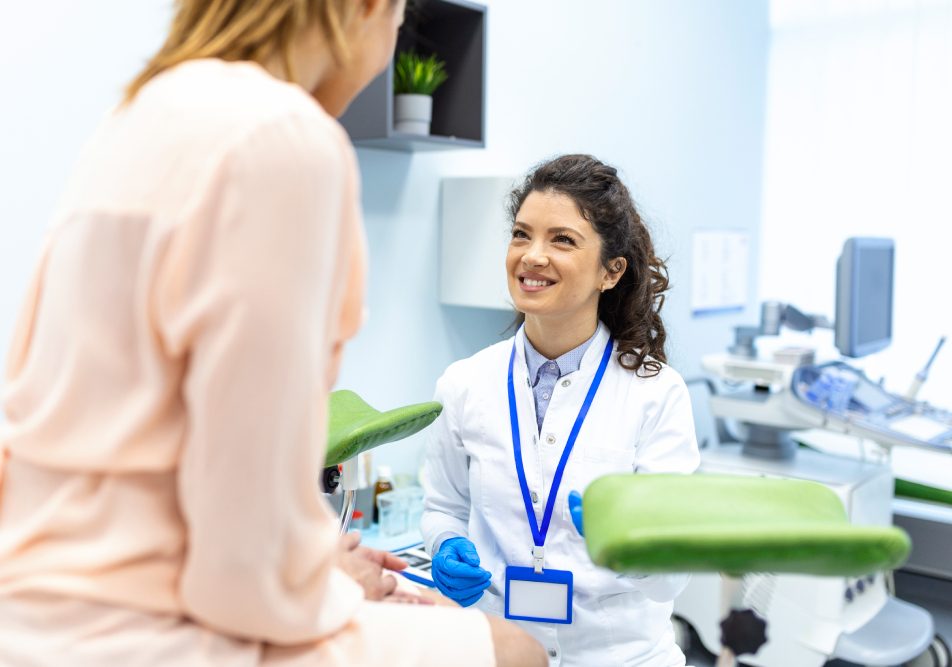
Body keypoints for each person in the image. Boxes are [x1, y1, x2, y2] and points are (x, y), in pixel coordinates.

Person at [0, 1, 546, 666]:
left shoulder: (134, 119)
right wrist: (327, 580)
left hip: (34, 596)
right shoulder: (283, 138)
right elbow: (242, 564)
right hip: (142, 626)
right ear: (368, 8)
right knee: (517, 650)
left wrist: (312, 558)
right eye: (399, 18)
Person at [421, 154, 701, 666]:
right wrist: (444, 544)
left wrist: (625, 543)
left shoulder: (656, 394)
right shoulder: (464, 384)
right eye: (521, 235)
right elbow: (444, 507)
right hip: (500, 651)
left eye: (562, 240)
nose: (532, 256)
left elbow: (672, 576)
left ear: (611, 272)